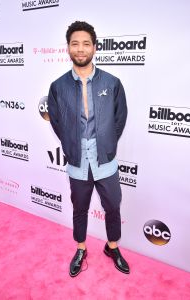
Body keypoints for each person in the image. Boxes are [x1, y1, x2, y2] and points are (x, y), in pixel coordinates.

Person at [48, 21, 130, 277]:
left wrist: (107, 145)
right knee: (80, 208)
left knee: (113, 206)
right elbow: (57, 121)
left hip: (105, 160)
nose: (80, 49)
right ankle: (81, 248)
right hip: (77, 162)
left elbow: (120, 118)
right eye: (75, 44)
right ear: (68, 48)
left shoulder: (112, 82)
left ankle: (112, 246)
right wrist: (72, 145)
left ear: (95, 47)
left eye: (86, 44)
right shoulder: (58, 86)